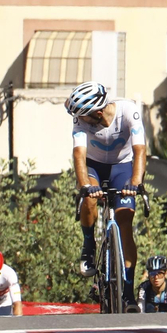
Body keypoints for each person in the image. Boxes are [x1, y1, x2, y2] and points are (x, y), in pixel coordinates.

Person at [66, 81, 147, 311]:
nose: (82, 120)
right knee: (89, 198)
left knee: (125, 220)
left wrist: (135, 182)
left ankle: (129, 293)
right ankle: (88, 244)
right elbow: (79, 155)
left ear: (98, 112)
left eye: (86, 117)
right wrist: (84, 187)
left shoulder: (128, 110)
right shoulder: (80, 119)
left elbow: (140, 150)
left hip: (122, 165)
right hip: (93, 165)